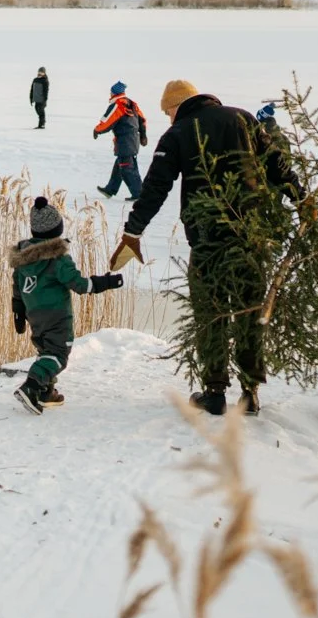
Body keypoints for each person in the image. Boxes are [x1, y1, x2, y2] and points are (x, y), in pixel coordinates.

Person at [112, 81, 300, 416]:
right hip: (250, 235)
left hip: (207, 238)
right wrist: (302, 199)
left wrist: (133, 231)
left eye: (168, 111)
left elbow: (155, 187)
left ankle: (214, 392)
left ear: (178, 105)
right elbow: (277, 164)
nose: (168, 118)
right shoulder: (244, 119)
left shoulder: (179, 133)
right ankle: (250, 392)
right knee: (249, 309)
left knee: (211, 312)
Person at [10, 196, 123, 414]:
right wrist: (107, 282)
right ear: (56, 231)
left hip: (35, 315)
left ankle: (45, 391)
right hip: (57, 316)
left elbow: (18, 286)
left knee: (46, 350)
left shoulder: (23, 260)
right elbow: (80, 285)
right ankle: (32, 385)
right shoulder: (58, 259)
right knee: (58, 354)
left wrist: (18, 310)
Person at [93, 81, 148, 200]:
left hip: (125, 141)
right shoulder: (132, 104)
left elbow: (107, 121)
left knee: (127, 168)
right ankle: (110, 189)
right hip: (133, 140)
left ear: (114, 93)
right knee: (120, 164)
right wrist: (143, 135)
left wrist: (97, 130)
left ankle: (139, 193)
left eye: (111, 92)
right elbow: (142, 119)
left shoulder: (118, 105)